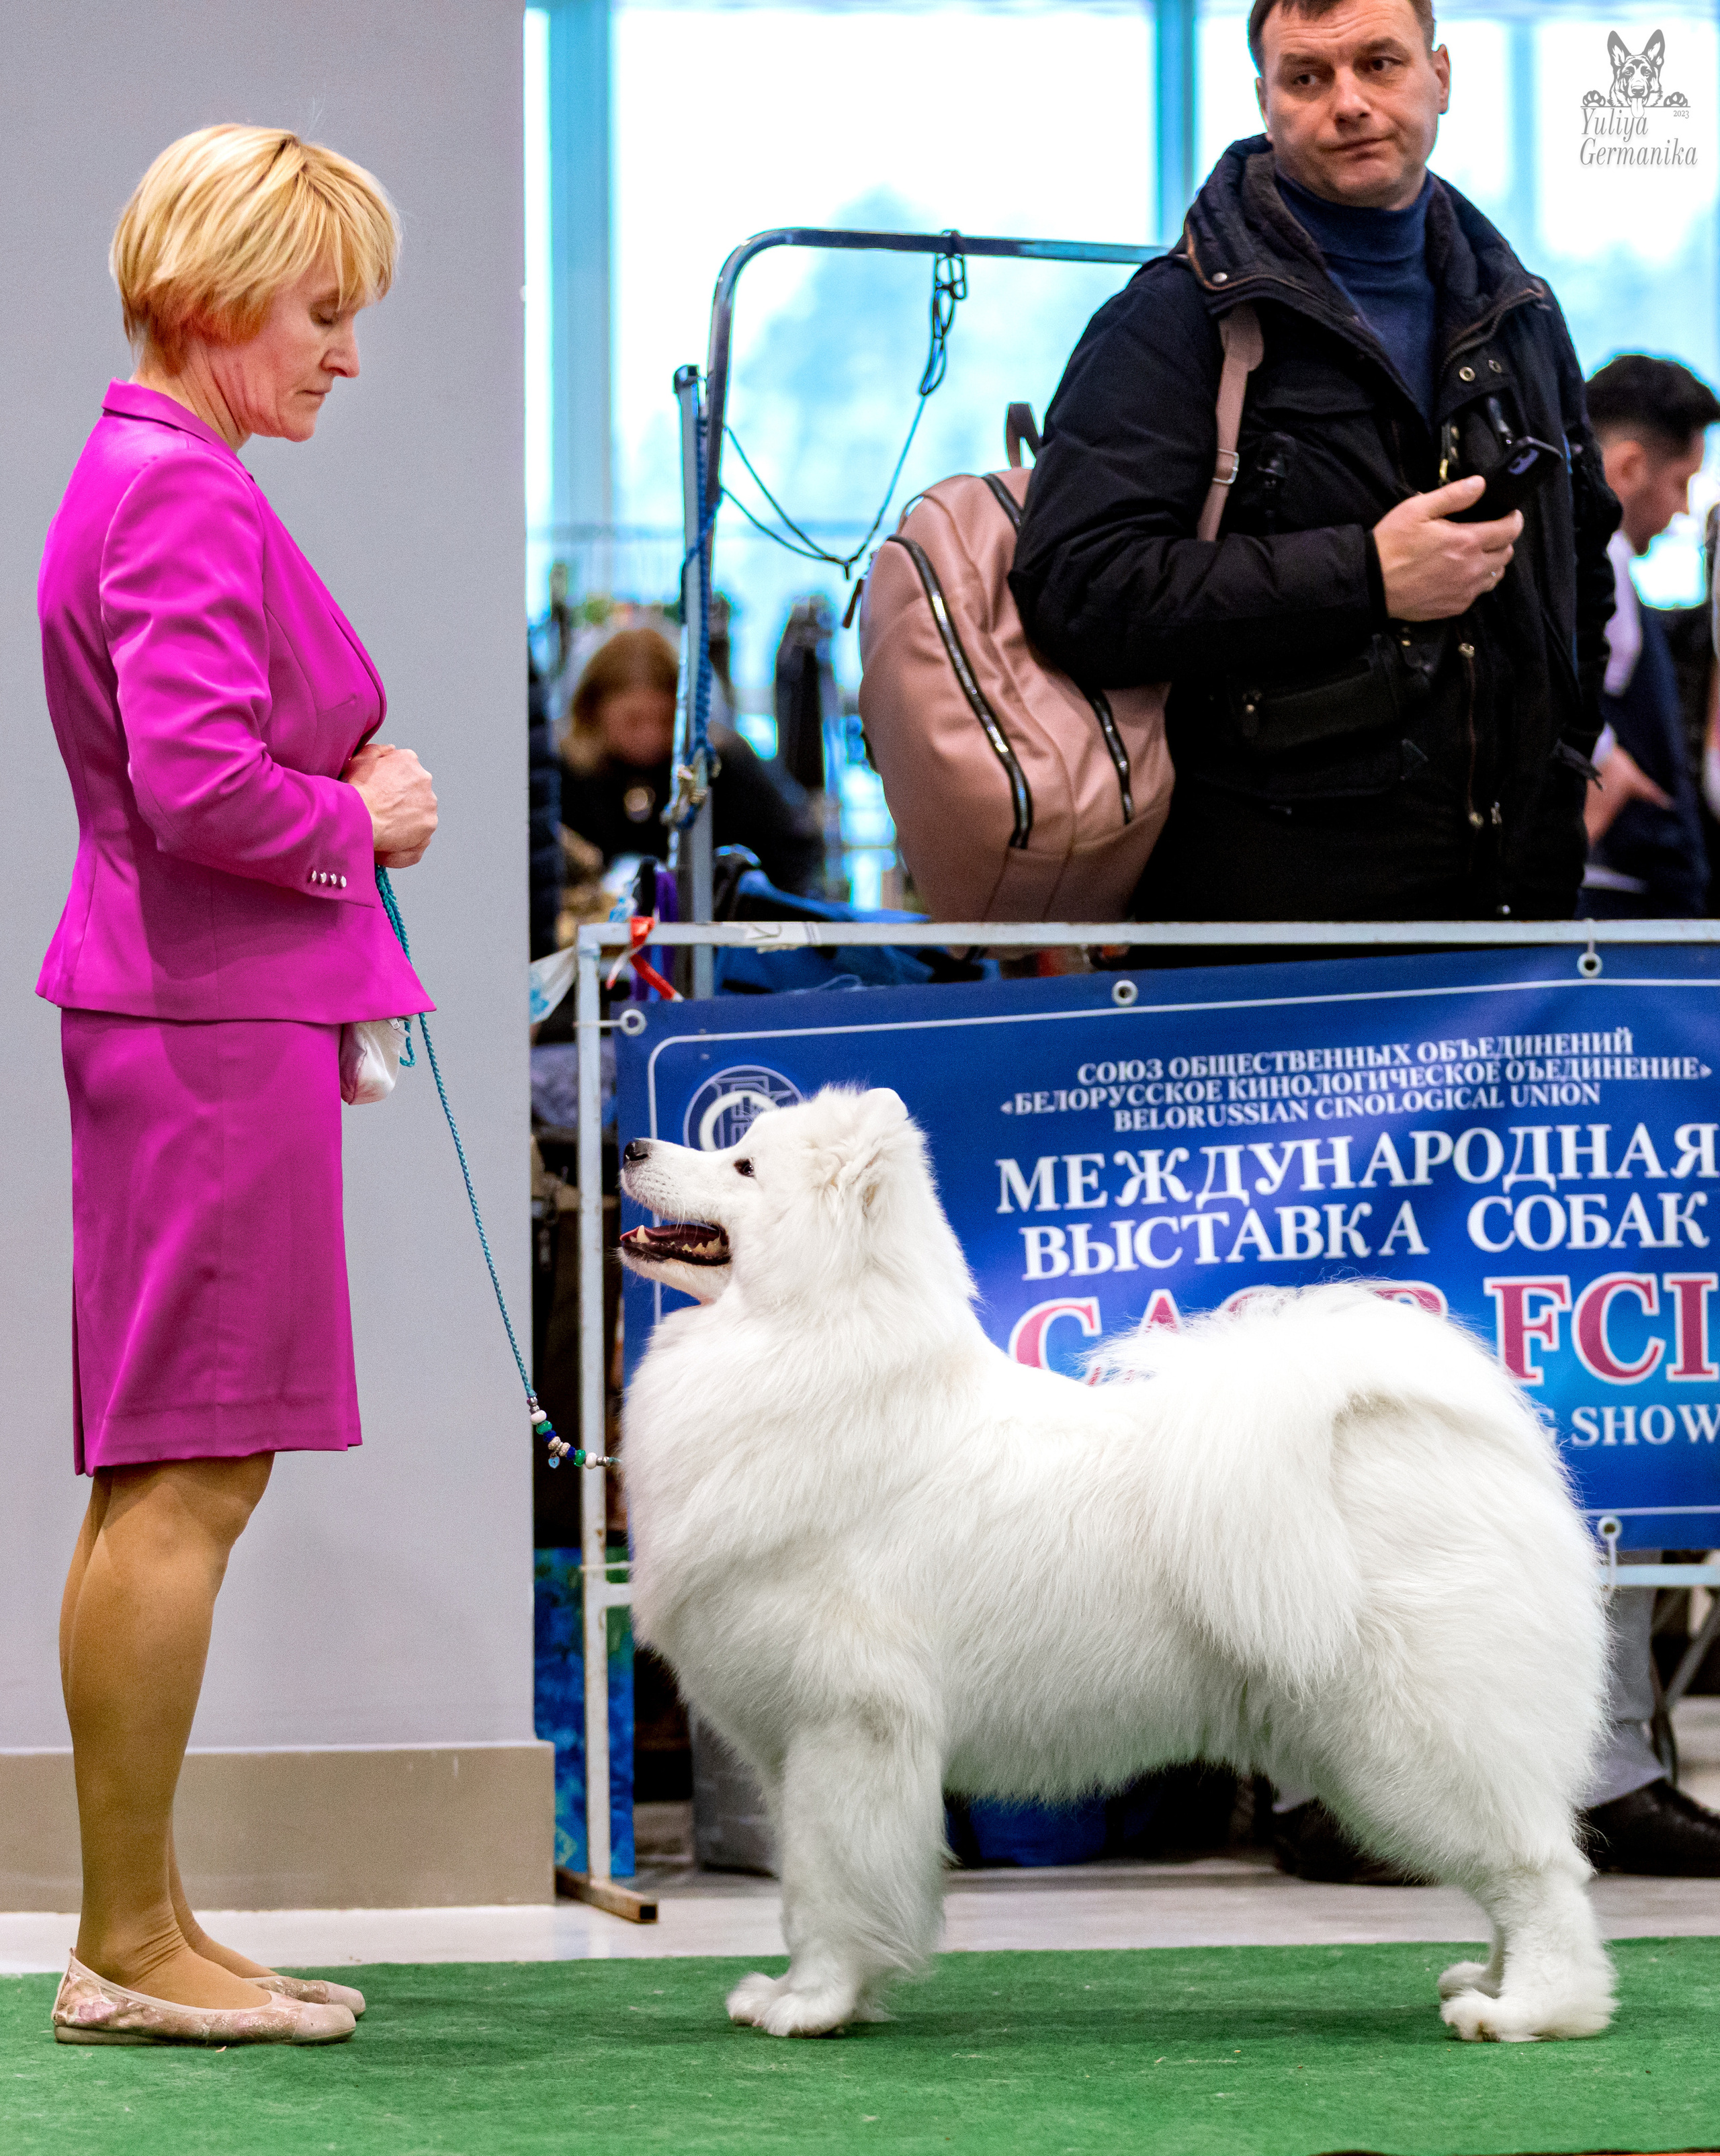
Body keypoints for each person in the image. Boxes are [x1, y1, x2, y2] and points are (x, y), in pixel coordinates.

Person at [38, 126, 439, 2046]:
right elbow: (201, 787)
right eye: (325, 309)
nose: (344, 356)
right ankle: (126, 1940)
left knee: (170, 1475)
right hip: (207, 1027)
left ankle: (150, 1923)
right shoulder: (178, 496)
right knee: (187, 1479)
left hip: (187, 1018)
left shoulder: (147, 478)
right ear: (217, 295)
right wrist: (358, 817)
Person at [1010, 0, 1618, 929]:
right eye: (1307, 77)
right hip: (1271, 961)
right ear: (1265, 100)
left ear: (1440, 77)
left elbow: (1582, 575)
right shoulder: (1178, 322)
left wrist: (1563, 777)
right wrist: (1367, 575)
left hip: (1516, 929)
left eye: (1381, 64)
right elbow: (1080, 586)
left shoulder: (1520, 315)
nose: (1349, 103)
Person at [1579, 355, 1720, 918]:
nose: (1684, 511)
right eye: (1681, 484)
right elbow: (1566, 701)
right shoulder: (1597, 560)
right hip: (1615, 901)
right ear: (1629, 468)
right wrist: (1607, 766)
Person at [560, 626, 824, 896]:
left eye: (665, 721)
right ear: (593, 712)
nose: (650, 736)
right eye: (633, 721)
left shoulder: (725, 769)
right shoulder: (567, 777)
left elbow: (793, 856)